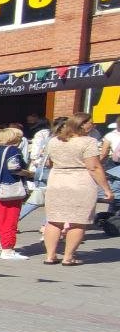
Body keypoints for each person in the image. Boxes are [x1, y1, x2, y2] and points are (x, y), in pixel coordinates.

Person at [42, 113, 114, 266]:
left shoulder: (54, 140)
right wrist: (106, 189)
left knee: (54, 220)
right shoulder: (88, 142)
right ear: (81, 124)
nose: (93, 125)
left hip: (56, 180)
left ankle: (50, 255)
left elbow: (50, 163)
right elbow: (94, 167)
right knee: (78, 221)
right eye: (90, 123)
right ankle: (68, 257)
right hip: (80, 181)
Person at [0, 127, 32, 260]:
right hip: (8, 189)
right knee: (9, 219)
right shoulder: (13, 151)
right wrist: (29, 173)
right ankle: (7, 249)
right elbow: (14, 168)